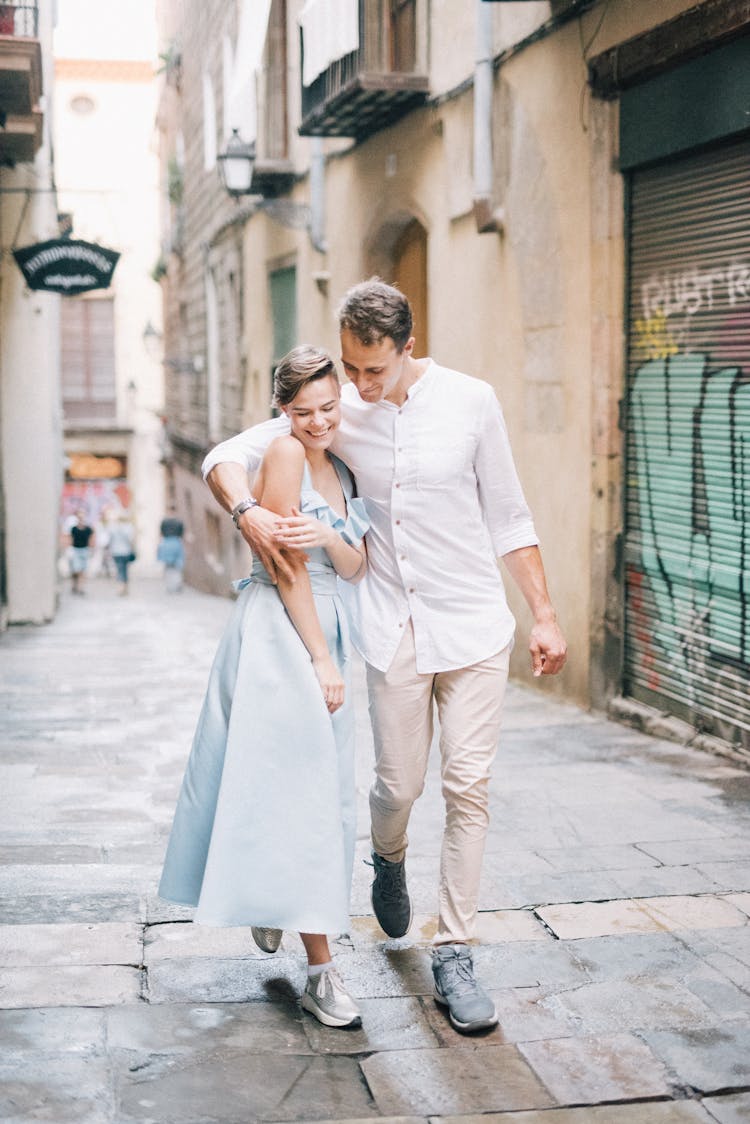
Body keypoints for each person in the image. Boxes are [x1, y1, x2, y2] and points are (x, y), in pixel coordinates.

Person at [202, 279, 568, 1035]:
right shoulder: (333, 413)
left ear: (407, 346)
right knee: (397, 786)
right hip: (393, 630)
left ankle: (456, 951)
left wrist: (545, 613)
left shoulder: (472, 401)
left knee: (468, 787)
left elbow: (509, 512)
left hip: (472, 626)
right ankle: (389, 856)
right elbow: (223, 456)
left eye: (374, 370)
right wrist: (249, 515)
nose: (361, 386)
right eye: (351, 368)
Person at [159, 346, 369, 1029]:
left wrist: (329, 536)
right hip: (287, 632)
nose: (318, 423)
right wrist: (321, 659)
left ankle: (282, 906)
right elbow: (284, 567)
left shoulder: (341, 462)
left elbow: (355, 561)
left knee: (320, 794)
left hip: (330, 626)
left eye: (329, 408)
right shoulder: (281, 454)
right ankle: (322, 971)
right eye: (304, 412)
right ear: (283, 410)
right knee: (307, 796)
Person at [158, 506, 185, 592]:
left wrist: (159, 546)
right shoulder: (179, 522)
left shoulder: (164, 522)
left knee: (168, 566)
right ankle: (177, 584)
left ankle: (169, 586)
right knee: (177, 566)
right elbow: (182, 535)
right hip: (176, 543)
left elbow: (160, 534)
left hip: (167, 543)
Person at [67, 510, 94, 595]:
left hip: (85, 550)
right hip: (75, 550)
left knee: (83, 570)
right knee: (76, 570)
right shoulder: (73, 529)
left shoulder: (88, 529)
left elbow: (91, 540)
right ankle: (75, 584)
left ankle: (80, 587)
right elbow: (70, 539)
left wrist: (91, 550)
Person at [108, 513, 136, 596]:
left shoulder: (113, 527)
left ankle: (121, 588)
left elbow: (110, 540)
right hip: (126, 551)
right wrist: (133, 549)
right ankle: (125, 588)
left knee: (119, 570)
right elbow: (131, 540)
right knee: (125, 570)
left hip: (116, 551)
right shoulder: (129, 527)